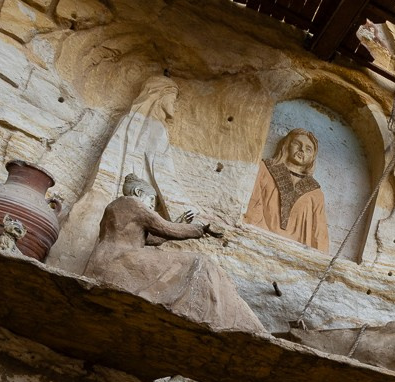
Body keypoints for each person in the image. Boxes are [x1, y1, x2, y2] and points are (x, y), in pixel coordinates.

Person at [84, 175, 265, 336]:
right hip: (121, 259)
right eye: (152, 201)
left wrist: (181, 222)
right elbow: (167, 229)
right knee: (199, 262)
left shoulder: (115, 209)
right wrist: (200, 228)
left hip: (106, 259)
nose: (151, 207)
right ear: (139, 192)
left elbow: (153, 238)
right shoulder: (133, 203)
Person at [244, 128, 329, 249]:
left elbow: (319, 232)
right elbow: (252, 203)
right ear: (287, 145)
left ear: (312, 157)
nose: (302, 150)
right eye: (297, 144)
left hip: (297, 251)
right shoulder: (266, 168)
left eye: (308, 149)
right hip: (258, 239)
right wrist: (261, 235)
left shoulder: (315, 191)